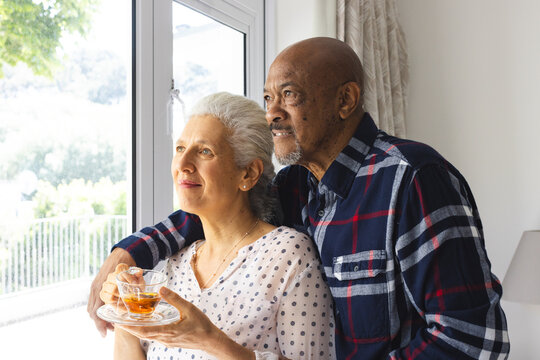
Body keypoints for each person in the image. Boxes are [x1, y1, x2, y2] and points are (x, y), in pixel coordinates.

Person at [88, 37, 510, 359]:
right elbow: (213, 208)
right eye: (269, 98)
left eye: (289, 95)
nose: (272, 113)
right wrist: (130, 251)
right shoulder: (295, 186)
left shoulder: (412, 177)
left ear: (345, 100)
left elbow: (472, 337)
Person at [99, 92, 336, 359]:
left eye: (204, 151)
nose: (183, 165)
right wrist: (126, 313)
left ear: (248, 173)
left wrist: (211, 340)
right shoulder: (174, 264)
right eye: (180, 148)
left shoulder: (287, 254)